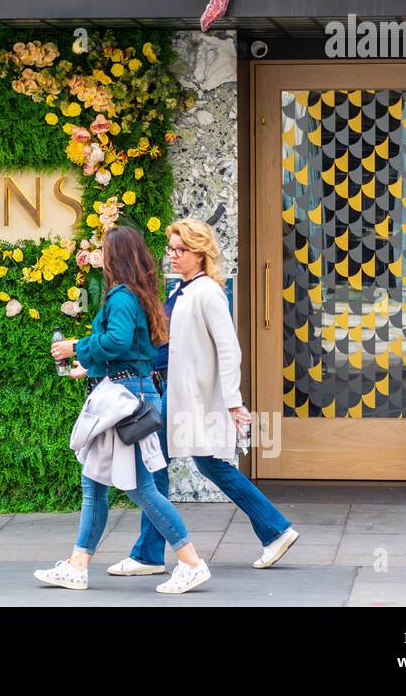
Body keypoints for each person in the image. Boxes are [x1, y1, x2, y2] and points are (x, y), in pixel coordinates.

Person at [107, 218, 299, 575]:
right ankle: (274, 529)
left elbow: (229, 351)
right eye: (172, 249)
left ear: (200, 253)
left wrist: (232, 402)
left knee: (162, 465)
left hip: (190, 399)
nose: (174, 256)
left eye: (182, 250)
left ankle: (273, 529)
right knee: (174, 464)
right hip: (174, 395)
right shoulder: (182, 290)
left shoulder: (208, 292)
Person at [38, 225, 211, 594]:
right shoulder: (139, 294)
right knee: (95, 482)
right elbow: (131, 349)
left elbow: (116, 341)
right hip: (131, 390)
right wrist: (92, 366)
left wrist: (76, 347)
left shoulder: (119, 296)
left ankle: (192, 562)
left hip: (125, 400)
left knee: (141, 489)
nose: (100, 257)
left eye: (104, 251)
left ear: (116, 256)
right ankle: (77, 566)